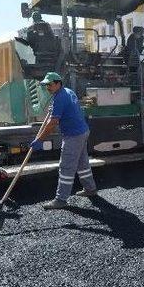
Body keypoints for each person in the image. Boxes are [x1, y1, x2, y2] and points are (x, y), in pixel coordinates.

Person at [30, 72, 98, 209]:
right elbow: (70, 108)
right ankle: (90, 189)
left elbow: (53, 122)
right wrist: (54, 108)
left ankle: (61, 199)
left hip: (74, 135)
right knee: (82, 163)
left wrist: (40, 139)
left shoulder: (60, 97)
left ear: (58, 83)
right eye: (46, 85)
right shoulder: (67, 92)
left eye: (50, 84)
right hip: (83, 131)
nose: (47, 87)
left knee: (66, 167)